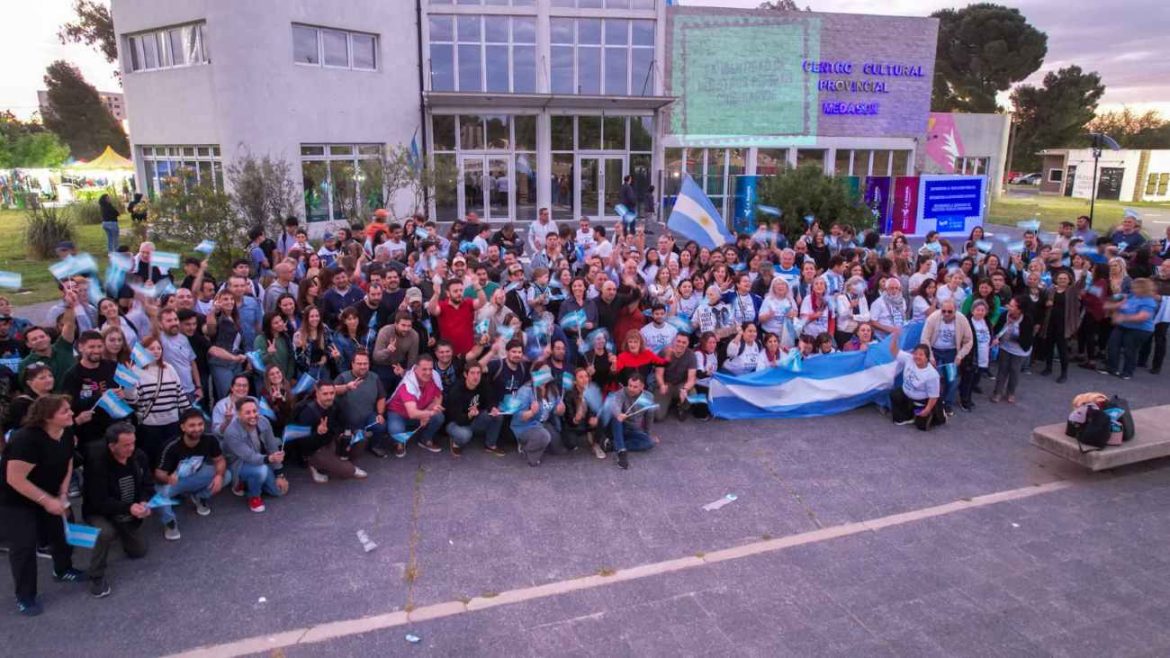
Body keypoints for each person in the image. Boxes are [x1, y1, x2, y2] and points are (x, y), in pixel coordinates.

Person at [0, 395, 87, 615]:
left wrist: (63, 494)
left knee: (62, 529)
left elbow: (68, 462)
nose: (71, 413)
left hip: (50, 490)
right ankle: (25, 596)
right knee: (24, 545)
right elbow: (15, 479)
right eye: (65, 411)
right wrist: (47, 501)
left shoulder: (66, 432)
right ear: (48, 417)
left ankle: (63, 569)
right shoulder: (25, 440)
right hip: (15, 499)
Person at [82, 423, 154, 598]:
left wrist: (144, 502)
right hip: (100, 512)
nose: (131, 448)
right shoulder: (97, 465)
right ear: (112, 446)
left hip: (127, 511)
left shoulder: (139, 457)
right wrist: (129, 508)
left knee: (139, 551)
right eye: (126, 445)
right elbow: (99, 501)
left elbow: (148, 485)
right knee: (105, 533)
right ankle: (96, 575)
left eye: (133, 443)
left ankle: (122, 530)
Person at [153, 409, 230, 540]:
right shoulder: (171, 446)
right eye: (192, 425)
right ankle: (170, 522)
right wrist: (168, 478)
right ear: (183, 427)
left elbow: (219, 460)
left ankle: (200, 497)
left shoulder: (210, 439)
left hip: (195, 475)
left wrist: (218, 476)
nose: (197, 429)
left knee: (226, 476)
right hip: (173, 482)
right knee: (159, 497)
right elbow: (158, 473)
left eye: (200, 424)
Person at [122, 334, 191, 467]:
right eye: (151, 348)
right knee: (152, 458)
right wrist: (129, 381)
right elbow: (132, 399)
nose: (156, 351)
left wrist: (189, 414)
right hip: (150, 425)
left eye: (159, 348)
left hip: (172, 422)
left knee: (171, 457)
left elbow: (180, 393)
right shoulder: (135, 371)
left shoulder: (169, 368)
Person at [221, 397, 288, 513]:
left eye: (255, 411)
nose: (253, 415)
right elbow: (249, 457)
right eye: (247, 412)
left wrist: (279, 475)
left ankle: (247, 483)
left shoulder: (264, 421)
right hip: (238, 463)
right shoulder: (231, 432)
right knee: (261, 471)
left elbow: (272, 446)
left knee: (278, 491)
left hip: (261, 459)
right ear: (238, 414)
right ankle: (254, 496)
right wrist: (270, 458)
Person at [292, 380, 368, 483]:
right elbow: (303, 444)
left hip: (331, 441)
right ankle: (314, 465)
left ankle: (338, 462)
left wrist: (346, 433)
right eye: (325, 394)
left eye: (332, 393)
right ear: (317, 394)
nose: (329, 397)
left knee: (361, 439)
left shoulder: (334, 404)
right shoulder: (308, 413)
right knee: (348, 471)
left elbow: (345, 421)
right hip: (315, 450)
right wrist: (318, 433)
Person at [386, 354, 446, 457]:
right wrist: (428, 413)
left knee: (439, 416)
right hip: (398, 413)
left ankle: (425, 439)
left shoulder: (434, 375)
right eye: (424, 369)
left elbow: (438, 396)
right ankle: (399, 442)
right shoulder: (408, 384)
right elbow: (412, 413)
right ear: (416, 369)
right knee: (396, 430)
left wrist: (427, 413)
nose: (428, 373)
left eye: (430, 369)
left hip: (419, 410)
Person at [920, 300, 972, 416]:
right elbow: (924, 338)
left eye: (950, 311)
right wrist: (930, 356)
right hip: (935, 350)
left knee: (952, 379)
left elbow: (969, 340)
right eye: (943, 311)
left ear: (955, 310)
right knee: (935, 378)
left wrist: (960, 355)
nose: (946, 314)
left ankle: (947, 403)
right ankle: (934, 403)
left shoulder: (962, 319)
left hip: (951, 352)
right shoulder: (933, 318)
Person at [444, 361, 505, 456]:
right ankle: (455, 441)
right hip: (455, 423)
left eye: (478, 373)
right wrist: (469, 415)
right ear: (465, 374)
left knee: (497, 416)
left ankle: (490, 444)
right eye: (472, 373)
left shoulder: (483, 383)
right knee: (465, 435)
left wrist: (492, 408)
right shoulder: (456, 390)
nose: (476, 376)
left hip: (475, 418)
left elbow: (491, 399)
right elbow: (456, 418)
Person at [888, 334, 945, 431]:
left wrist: (927, 410)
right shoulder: (909, 358)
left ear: (927, 358)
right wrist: (894, 338)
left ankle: (937, 412)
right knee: (894, 395)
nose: (917, 356)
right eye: (916, 353)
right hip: (906, 392)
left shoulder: (932, 375)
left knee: (922, 427)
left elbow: (934, 396)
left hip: (922, 400)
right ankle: (907, 416)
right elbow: (893, 351)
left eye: (921, 354)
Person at [1105, 278, 1159, 380]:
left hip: (1140, 329)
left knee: (1129, 350)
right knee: (1112, 345)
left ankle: (1127, 372)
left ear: (1143, 288)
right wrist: (1116, 305)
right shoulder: (1130, 296)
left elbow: (1142, 317)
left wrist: (1123, 317)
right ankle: (1112, 368)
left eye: (1135, 287)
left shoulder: (1149, 301)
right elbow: (1110, 303)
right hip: (1123, 326)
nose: (1132, 289)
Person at [603, 373, 656, 470]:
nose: (631, 389)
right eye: (630, 385)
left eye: (635, 387)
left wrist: (648, 433)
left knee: (649, 442)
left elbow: (649, 417)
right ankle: (621, 452)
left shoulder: (649, 397)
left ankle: (612, 445)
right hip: (620, 427)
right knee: (616, 417)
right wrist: (619, 414)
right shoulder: (621, 393)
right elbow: (615, 405)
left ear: (642, 387)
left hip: (634, 430)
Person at [991, 296, 1034, 404]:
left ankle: (1011, 392)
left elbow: (1027, 339)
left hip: (1019, 349)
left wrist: (1015, 335)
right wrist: (997, 337)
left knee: (1015, 371)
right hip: (1005, 347)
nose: (1008, 307)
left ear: (1019, 309)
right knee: (1002, 370)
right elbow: (997, 329)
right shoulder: (1004, 315)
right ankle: (997, 392)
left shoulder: (1027, 319)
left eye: (1012, 306)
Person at [653, 334, 697, 421]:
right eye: (678, 341)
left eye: (684, 342)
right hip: (666, 385)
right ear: (674, 341)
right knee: (657, 416)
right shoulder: (664, 352)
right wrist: (661, 385)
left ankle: (682, 407)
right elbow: (658, 374)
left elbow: (692, 378)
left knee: (692, 393)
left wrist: (685, 389)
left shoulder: (691, 355)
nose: (680, 344)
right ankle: (669, 401)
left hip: (680, 385)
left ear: (688, 343)